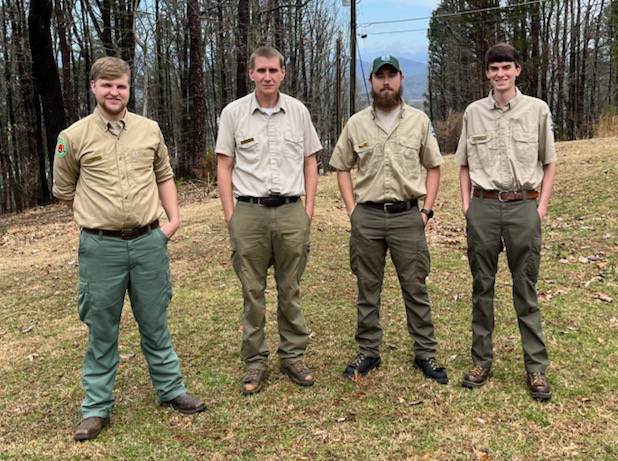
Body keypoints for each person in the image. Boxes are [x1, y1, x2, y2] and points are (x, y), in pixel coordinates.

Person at [52, 57, 205, 442]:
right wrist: (94, 220)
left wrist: (173, 221)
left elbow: (164, 176)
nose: (114, 92)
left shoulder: (149, 130)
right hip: (101, 249)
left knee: (155, 321)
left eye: (120, 85)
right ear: (93, 88)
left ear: (128, 87)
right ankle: (96, 408)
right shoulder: (73, 137)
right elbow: (65, 191)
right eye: (107, 85)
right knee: (102, 328)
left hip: (149, 243)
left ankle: (171, 390)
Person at [330, 55, 448, 384]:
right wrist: (352, 210)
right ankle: (368, 351)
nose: (385, 81)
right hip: (366, 217)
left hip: (407, 217)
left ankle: (425, 354)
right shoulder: (356, 124)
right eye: (379, 76)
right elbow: (341, 166)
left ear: (401, 79)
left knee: (415, 287)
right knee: (368, 289)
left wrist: (427, 210)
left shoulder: (419, 122)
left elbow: (434, 166)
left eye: (391, 75)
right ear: (371, 82)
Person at [216, 46, 321, 395]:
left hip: (291, 211)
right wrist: (231, 216)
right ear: (251, 73)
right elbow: (224, 166)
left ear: (283, 73)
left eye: (273, 71)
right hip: (249, 212)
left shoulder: (298, 112)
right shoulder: (233, 114)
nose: (267, 77)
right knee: (252, 291)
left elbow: (310, 161)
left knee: (290, 288)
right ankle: (255, 362)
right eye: (261, 70)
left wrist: (307, 211)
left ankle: (293, 356)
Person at [455, 43, 557, 400]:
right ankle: (481, 361)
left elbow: (549, 162)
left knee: (525, 290)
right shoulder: (473, 113)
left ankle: (536, 368)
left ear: (517, 70)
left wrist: (539, 208)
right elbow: (464, 163)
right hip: (483, 207)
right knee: (482, 287)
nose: (500, 74)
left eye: (506, 67)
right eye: (494, 68)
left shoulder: (537, 111)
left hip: (523, 208)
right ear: (487, 73)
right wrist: (468, 206)